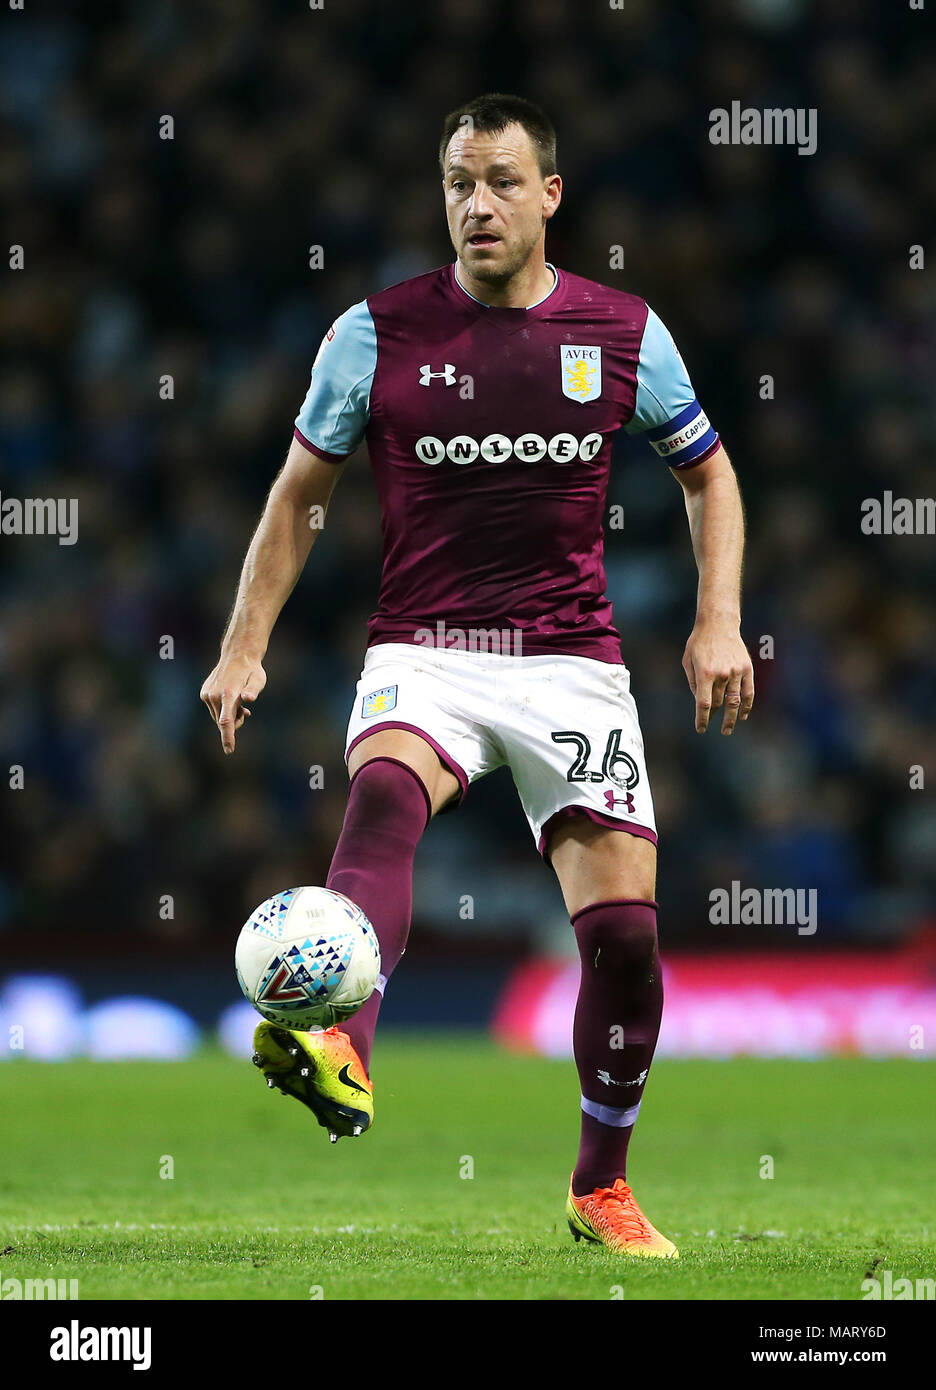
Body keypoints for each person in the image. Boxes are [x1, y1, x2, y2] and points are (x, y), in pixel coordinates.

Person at [201, 93, 754, 1257]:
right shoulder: (375, 332)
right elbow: (299, 496)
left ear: (551, 195)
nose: (478, 204)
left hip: (571, 661)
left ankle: (599, 1185)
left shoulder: (623, 333)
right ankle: (344, 1047)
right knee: (387, 800)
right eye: (459, 181)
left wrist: (718, 621)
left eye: (502, 180)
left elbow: (710, 475)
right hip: (427, 648)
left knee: (627, 943)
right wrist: (243, 643)